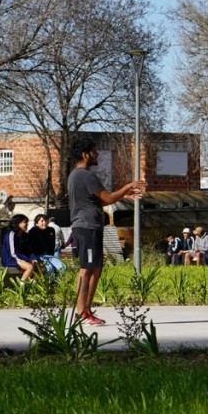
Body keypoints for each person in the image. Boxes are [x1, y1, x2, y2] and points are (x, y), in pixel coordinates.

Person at [68, 136, 143, 326]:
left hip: (86, 226)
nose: (97, 153)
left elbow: (99, 200)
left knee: (95, 269)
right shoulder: (87, 175)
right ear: (85, 155)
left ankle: (84, 311)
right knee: (87, 270)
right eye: (94, 151)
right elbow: (108, 199)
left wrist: (123, 194)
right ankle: (82, 313)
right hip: (87, 227)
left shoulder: (75, 175)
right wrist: (129, 185)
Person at [0, 214, 37, 281]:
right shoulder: (11, 234)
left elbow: (30, 250)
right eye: (25, 222)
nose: (27, 224)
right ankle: (21, 287)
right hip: (10, 259)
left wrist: (33, 259)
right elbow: (13, 253)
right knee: (30, 267)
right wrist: (26, 260)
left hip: (20, 259)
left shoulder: (25, 235)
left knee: (40, 267)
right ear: (17, 223)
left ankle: (31, 285)